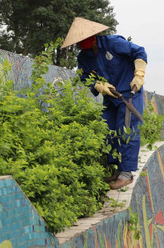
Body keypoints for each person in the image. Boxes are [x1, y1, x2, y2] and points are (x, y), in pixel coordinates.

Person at [63, 17, 147, 190]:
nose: (82, 44)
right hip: (110, 98)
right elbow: (84, 77)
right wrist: (99, 86)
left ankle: (126, 173)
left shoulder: (114, 43)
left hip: (129, 93)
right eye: (79, 42)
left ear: (94, 35)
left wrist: (139, 74)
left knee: (127, 131)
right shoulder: (83, 58)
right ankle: (117, 168)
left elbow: (140, 52)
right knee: (107, 129)